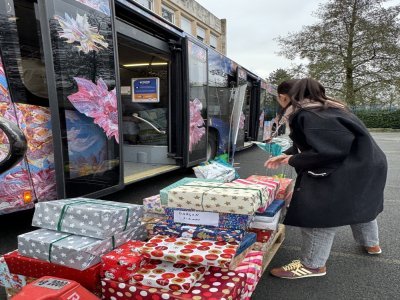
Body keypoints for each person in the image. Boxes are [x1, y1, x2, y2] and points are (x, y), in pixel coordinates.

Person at [265, 78, 387, 279]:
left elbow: (326, 151)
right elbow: (316, 142)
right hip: (369, 163)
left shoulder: (307, 114)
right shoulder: (330, 108)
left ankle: (313, 265)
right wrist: (288, 154)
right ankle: (371, 244)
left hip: (346, 166)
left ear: (283, 97)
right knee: (361, 202)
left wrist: (293, 159)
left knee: (318, 211)